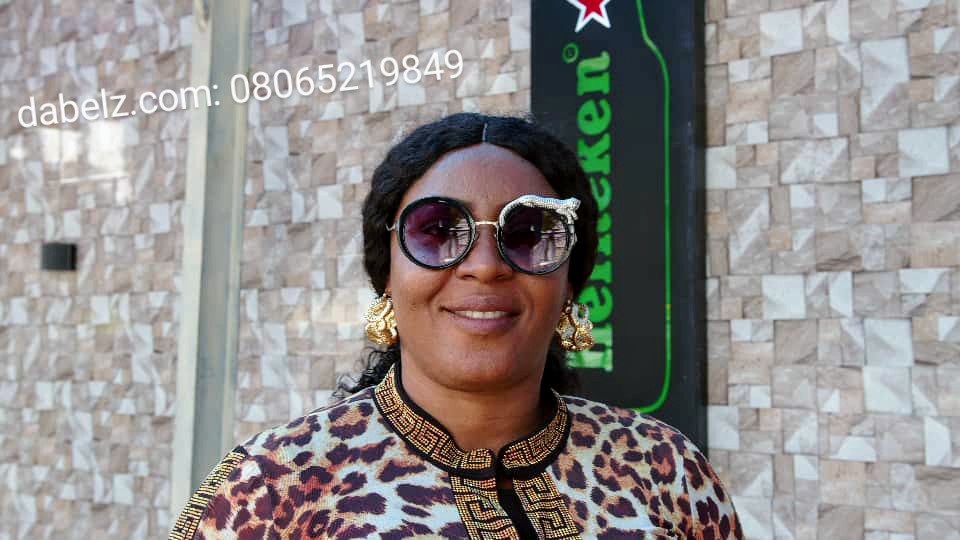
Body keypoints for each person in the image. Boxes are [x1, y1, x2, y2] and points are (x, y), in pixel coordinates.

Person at [169, 112, 743, 539]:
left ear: (569, 282)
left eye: (528, 233)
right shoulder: (277, 485)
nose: (485, 266)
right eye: (438, 230)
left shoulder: (663, 469)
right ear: (386, 274)